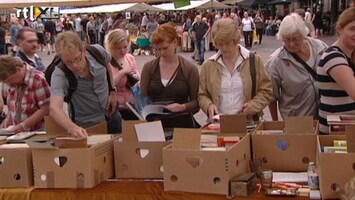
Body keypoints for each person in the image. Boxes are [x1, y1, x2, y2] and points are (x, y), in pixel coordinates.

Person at [199, 18, 273, 122]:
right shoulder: (209, 65)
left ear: (235, 39)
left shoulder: (254, 60)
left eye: (227, 43)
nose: (224, 48)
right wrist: (209, 106)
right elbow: (202, 95)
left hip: (248, 123)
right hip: (218, 125)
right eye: (220, 44)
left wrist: (254, 105)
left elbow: (267, 90)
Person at [50, 31, 121, 138]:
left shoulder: (98, 52)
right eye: (68, 62)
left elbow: (107, 65)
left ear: (84, 50)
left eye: (77, 59)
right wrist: (72, 128)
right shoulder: (60, 74)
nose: (75, 65)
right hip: (87, 126)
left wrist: (112, 90)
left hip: (112, 114)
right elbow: (54, 109)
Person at [266, 13, 328, 121]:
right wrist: (275, 123)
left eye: (295, 39)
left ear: (303, 34)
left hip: (325, 117)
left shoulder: (321, 48)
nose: (291, 44)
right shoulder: (276, 62)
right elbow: (271, 97)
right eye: (286, 39)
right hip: (297, 122)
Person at [140, 23, 199, 128]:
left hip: (182, 126)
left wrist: (182, 107)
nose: (162, 52)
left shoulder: (189, 69)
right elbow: (143, 98)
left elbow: (197, 103)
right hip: (154, 126)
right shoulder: (148, 68)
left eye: (165, 48)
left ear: (175, 43)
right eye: (158, 49)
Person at [317, 7, 355, 134]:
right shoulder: (333, 57)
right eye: (353, 29)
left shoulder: (350, 55)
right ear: (340, 29)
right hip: (335, 132)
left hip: (346, 128)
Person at [0, 56, 51, 133]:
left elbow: (46, 108)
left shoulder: (37, 79)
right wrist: (8, 119)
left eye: (10, 80)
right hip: (18, 133)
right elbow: (13, 105)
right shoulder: (14, 80)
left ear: (18, 70)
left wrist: (24, 125)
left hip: (37, 132)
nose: (9, 83)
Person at [105, 29, 140, 120]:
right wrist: (123, 72)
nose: (122, 50)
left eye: (125, 47)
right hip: (116, 108)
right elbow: (109, 84)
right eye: (118, 48)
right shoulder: (107, 62)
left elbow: (137, 77)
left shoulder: (130, 58)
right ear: (110, 46)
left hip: (132, 105)